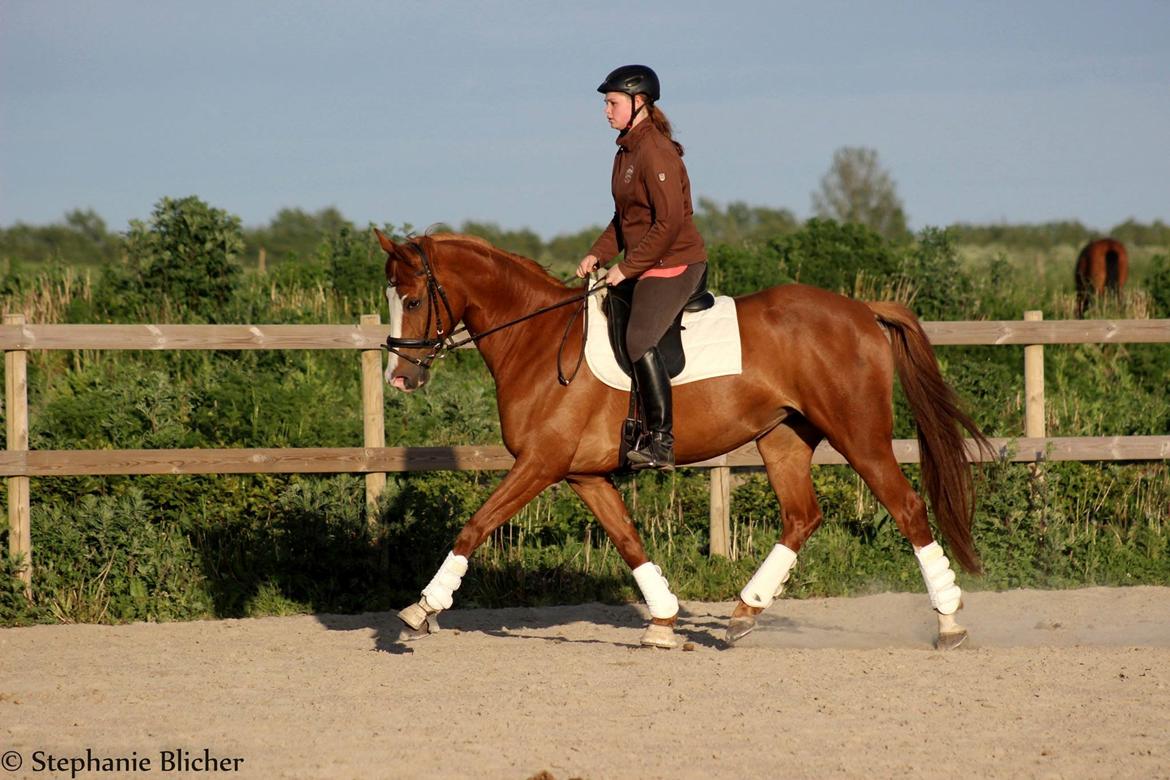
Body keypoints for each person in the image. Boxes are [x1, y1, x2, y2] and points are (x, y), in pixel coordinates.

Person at [576, 64, 708, 471]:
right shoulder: (625, 152)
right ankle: (630, 424)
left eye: (611, 102)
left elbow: (667, 225)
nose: (606, 110)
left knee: (638, 340)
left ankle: (661, 441)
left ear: (639, 103)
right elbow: (625, 220)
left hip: (676, 264)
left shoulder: (656, 152)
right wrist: (598, 254)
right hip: (646, 262)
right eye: (606, 103)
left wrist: (626, 268)